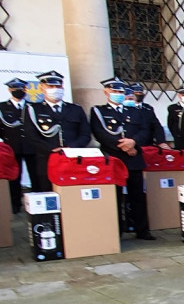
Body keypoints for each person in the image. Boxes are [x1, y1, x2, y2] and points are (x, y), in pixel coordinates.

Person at [89, 77, 155, 240]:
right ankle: (117, 230)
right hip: (114, 159)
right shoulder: (99, 111)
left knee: (138, 196)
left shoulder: (135, 111)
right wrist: (124, 146)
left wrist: (133, 143)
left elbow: (145, 130)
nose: (118, 94)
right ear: (106, 92)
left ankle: (142, 230)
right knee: (115, 197)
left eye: (121, 91)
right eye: (114, 91)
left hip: (134, 157)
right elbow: (100, 134)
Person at [23, 70, 91, 191]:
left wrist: (71, 147)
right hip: (47, 160)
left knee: (73, 194)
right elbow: (31, 136)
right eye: (51, 86)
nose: (55, 89)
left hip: (73, 159)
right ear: (42, 88)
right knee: (50, 197)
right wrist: (51, 150)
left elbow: (85, 134)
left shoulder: (75, 109)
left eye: (58, 86)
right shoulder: (33, 109)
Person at [1, 78, 30, 211]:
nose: (18, 91)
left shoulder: (32, 106)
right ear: (9, 90)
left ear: (25, 90)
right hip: (12, 147)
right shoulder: (2, 107)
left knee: (36, 176)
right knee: (14, 178)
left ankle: (36, 203)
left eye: (21, 89)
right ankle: (15, 205)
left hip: (31, 147)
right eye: (15, 89)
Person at [128, 82, 170, 149]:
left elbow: (157, 126)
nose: (139, 94)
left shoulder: (148, 108)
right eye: (136, 93)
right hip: (132, 144)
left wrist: (161, 142)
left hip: (147, 145)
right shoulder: (126, 108)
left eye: (140, 93)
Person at [167, 83, 184, 149]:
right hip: (179, 138)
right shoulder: (173, 108)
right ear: (179, 95)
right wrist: (176, 134)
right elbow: (170, 124)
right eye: (183, 94)